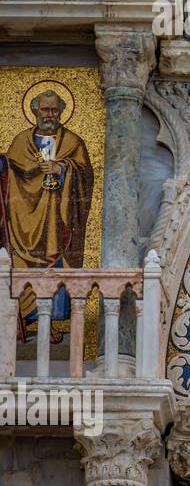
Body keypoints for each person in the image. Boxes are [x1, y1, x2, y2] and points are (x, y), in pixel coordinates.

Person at [1, 90, 94, 343]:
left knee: (54, 268)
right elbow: (9, 171)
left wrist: (63, 169)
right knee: (20, 268)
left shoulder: (73, 143)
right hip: (23, 221)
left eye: (54, 110)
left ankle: (51, 325)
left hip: (57, 220)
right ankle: (22, 326)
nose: (49, 115)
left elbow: (85, 176)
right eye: (45, 110)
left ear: (62, 111)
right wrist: (5, 166)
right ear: (34, 111)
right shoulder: (21, 141)